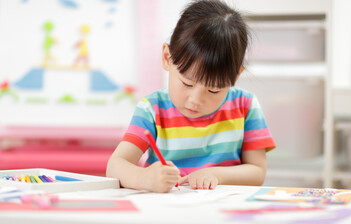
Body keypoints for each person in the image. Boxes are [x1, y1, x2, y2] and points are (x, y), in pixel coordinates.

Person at [106, 0, 276, 193]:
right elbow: (115, 166)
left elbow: (257, 172)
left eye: (214, 90)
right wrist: (145, 178)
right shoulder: (152, 109)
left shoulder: (245, 106)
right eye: (187, 83)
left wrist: (216, 175)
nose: (196, 99)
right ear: (167, 58)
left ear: (236, 76)